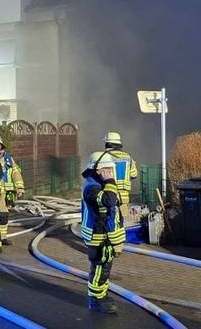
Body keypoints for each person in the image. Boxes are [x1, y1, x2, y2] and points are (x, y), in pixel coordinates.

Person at [81, 151, 125, 314]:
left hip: (104, 236)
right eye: (109, 170)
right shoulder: (92, 188)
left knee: (105, 269)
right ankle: (96, 300)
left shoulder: (100, 184)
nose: (112, 173)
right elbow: (109, 200)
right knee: (99, 270)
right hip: (97, 237)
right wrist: (110, 181)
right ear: (100, 170)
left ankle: (101, 296)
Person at [0, 134, 24, 246]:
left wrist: (19, 187)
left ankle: (3, 237)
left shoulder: (8, 159)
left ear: (1, 145)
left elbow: (15, 172)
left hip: (5, 193)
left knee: (3, 215)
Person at [103, 131, 138, 221]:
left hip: (110, 193)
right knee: (123, 219)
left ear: (107, 144)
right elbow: (134, 174)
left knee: (110, 219)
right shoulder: (128, 157)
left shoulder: (104, 157)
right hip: (124, 197)